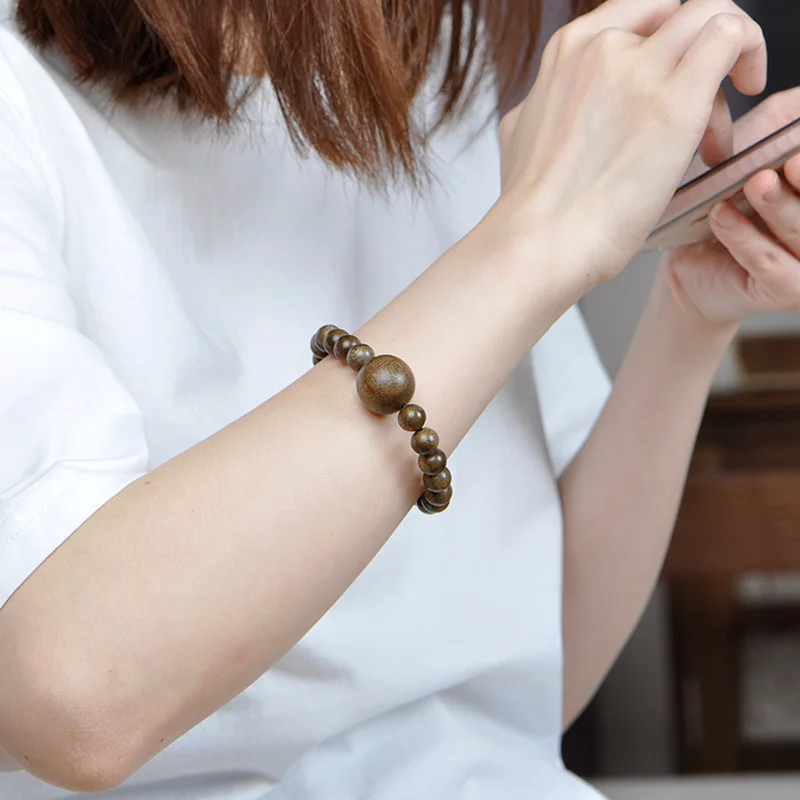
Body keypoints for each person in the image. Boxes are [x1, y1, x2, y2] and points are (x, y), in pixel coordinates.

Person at [0, 0, 798, 796]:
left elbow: (521, 683)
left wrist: (690, 315)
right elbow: (73, 698)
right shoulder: (24, 107)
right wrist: (534, 239)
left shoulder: (426, 70)